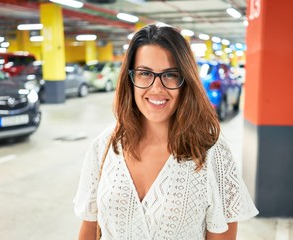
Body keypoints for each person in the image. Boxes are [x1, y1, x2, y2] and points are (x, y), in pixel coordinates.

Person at [74, 23, 258, 240]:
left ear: (185, 81)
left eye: (170, 75)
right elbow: (89, 227)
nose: (157, 88)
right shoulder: (105, 146)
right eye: (144, 73)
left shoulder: (212, 153)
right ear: (130, 79)